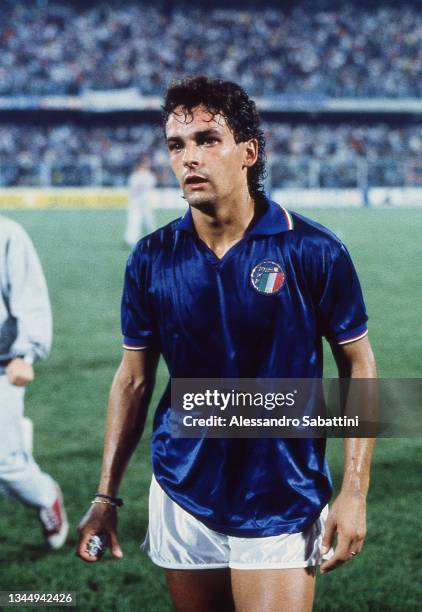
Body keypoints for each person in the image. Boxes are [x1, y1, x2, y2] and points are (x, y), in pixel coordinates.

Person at [77, 77, 376, 611]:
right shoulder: (150, 259)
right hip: (181, 488)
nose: (189, 157)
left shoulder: (314, 250)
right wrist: (105, 495)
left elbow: (358, 366)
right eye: (177, 145)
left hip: (282, 492)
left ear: (248, 152)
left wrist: (354, 490)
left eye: (208, 140)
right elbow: (134, 379)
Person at [0, 216, 68, 550]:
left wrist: (25, 355)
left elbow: (30, 299)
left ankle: (45, 496)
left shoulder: (7, 235)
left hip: (3, 366)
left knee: (5, 465)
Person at [124, 158, 157, 247]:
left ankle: (131, 239)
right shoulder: (148, 175)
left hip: (139, 201)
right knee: (142, 221)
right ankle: (132, 239)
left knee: (141, 221)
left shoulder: (135, 176)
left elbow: (132, 189)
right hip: (141, 201)